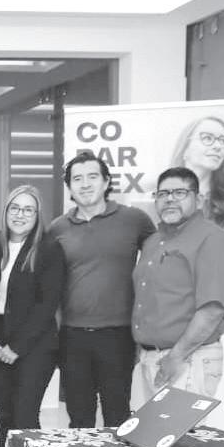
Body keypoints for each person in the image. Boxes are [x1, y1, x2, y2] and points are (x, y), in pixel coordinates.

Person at [49, 152, 155, 428]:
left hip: (118, 335)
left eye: (92, 177)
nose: (85, 184)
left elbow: (160, 263)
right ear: (69, 186)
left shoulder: (135, 220)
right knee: (78, 416)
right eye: (77, 179)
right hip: (71, 336)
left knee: (117, 414)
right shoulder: (57, 228)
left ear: (106, 181)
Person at [0, 185, 65, 447]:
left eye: (28, 209)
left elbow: (48, 304)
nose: (20, 214)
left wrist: (16, 347)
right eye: (14, 208)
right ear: (5, 211)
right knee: (5, 420)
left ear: (38, 215)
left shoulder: (49, 249)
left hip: (35, 345)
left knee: (25, 419)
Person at [131, 167, 224, 403]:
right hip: (150, 358)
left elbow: (213, 310)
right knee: (153, 428)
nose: (170, 199)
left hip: (187, 358)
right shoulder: (153, 242)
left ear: (198, 199)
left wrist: (176, 357)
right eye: (163, 194)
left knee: (178, 428)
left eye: (180, 192)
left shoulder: (212, 240)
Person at [171, 117, 224, 231]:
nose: (218, 146)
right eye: (207, 138)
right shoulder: (160, 196)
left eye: (223, 141)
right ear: (185, 148)